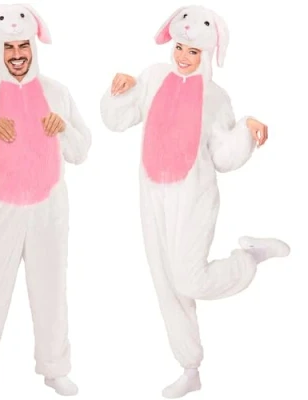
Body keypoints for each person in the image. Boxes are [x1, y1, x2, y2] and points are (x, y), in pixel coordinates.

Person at [100, 5, 289, 399]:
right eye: (180, 48)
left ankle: (249, 259)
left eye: (194, 51)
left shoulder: (216, 97)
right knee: (166, 282)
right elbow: (117, 120)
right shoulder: (153, 77)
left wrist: (247, 130)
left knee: (189, 279)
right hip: (152, 194)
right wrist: (120, 90)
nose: (184, 57)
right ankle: (190, 368)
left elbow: (224, 157)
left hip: (194, 196)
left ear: (209, 53)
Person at [0, 4, 91, 398]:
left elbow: (82, 150)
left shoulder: (57, 93)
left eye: (23, 46)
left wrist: (63, 128)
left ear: (33, 45)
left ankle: (55, 368)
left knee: (51, 290)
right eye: (9, 47)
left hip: (49, 210)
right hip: (4, 210)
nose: (17, 55)